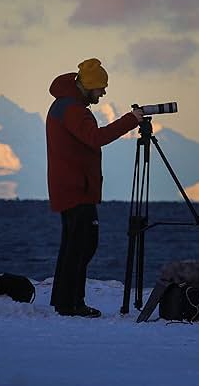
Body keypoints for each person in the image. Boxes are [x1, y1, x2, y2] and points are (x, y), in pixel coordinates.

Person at [46, 58, 143, 318]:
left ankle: (64, 301)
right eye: (101, 87)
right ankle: (71, 304)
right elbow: (96, 138)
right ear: (88, 86)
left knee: (75, 245)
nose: (103, 92)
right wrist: (131, 121)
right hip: (76, 188)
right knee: (82, 245)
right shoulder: (73, 109)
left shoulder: (65, 105)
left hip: (70, 187)